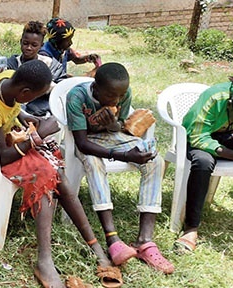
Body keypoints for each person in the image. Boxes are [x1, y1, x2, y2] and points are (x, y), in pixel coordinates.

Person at [0, 60, 121, 288]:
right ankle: (45, 260)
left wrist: (28, 119)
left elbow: (13, 108)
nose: (32, 102)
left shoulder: (10, 77)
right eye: (33, 98)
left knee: (58, 176)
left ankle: (96, 247)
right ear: (25, 91)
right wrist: (37, 136)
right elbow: (1, 155)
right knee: (43, 178)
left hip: (13, 139)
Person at [66, 62, 174, 274]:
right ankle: (112, 238)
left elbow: (121, 127)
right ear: (96, 88)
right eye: (110, 96)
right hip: (87, 140)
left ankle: (145, 241)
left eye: (120, 96)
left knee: (154, 160)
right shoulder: (77, 97)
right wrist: (123, 155)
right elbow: (82, 143)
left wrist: (113, 124)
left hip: (112, 136)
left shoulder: (123, 93)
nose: (116, 100)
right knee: (92, 161)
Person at [177, 73, 233, 252]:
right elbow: (197, 136)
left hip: (226, 136)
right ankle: (191, 228)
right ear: (232, 104)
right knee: (203, 162)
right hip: (195, 137)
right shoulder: (216, 97)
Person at [0, 20, 67, 116]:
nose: (29, 48)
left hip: (41, 110)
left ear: (41, 46)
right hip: (14, 111)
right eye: (25, 43)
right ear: (21, 42)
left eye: (34, 45)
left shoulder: (51, 65)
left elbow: (61, 90)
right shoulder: (12, 63)